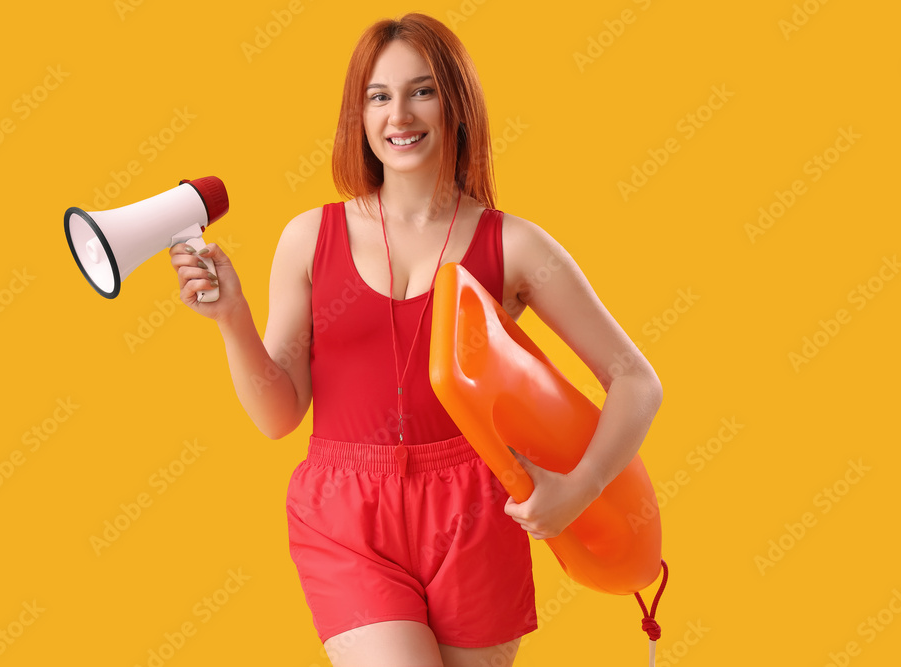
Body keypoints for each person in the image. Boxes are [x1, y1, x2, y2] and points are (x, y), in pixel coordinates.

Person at [169, 12, 662, 667]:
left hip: (477, 513)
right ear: (360, 116)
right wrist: (232, 319)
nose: (399, 113)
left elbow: (636, 379)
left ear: (456, 104)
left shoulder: (512, 244)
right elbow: (279, 415)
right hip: (346, 514)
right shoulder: (307, 239)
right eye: (379, 96)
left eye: (421, 91)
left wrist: (578, 489)